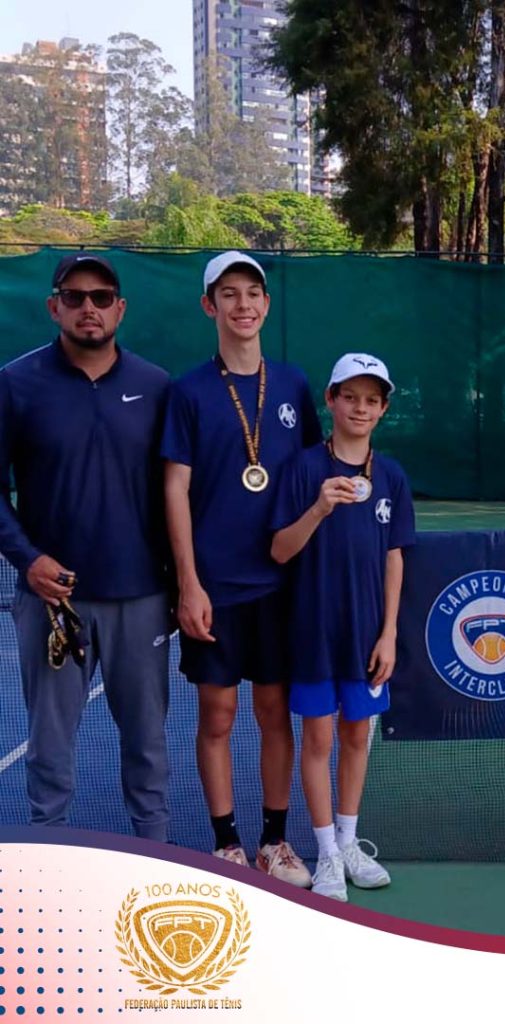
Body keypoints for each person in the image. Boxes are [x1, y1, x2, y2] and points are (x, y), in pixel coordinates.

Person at [0, 252, 171, 839]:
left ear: (120, 308)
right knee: (49, 747)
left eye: (101, 297)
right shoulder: (16, 383)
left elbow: (178, 493)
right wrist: (28, 561)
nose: (88, 307)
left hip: (141, 597)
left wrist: (184, 584)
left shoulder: (156, 386)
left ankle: (154, 859)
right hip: (52, 602)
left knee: (147, 744)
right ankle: (50, 856)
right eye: (74, 297)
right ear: (54, 307)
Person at [162, 250, 320, 884]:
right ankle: (225, 843)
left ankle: (274, 842)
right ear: (210, 306)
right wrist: (189, 584)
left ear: (267, 305)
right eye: (229, 294)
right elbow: (175, 489)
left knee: (276, 713)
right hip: (216, 589)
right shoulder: (188, 392)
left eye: (252, 293)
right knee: (218, 716)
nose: (243, 304)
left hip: (282, 586)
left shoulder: (293, 385)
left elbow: (313, 473)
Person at [270, 353, 415, 902]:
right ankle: (326, 852)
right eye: (349, 397)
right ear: (330, 400)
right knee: (319, 738)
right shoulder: (303, 468)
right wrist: (318, 510)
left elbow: (395, 558)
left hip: (367, 637)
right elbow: (280, 551)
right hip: (312, 632)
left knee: (357, 736)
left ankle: (350, 843)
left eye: (371, 400)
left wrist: (389, 633)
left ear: (383, 410)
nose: (360, 408)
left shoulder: (391, 476)